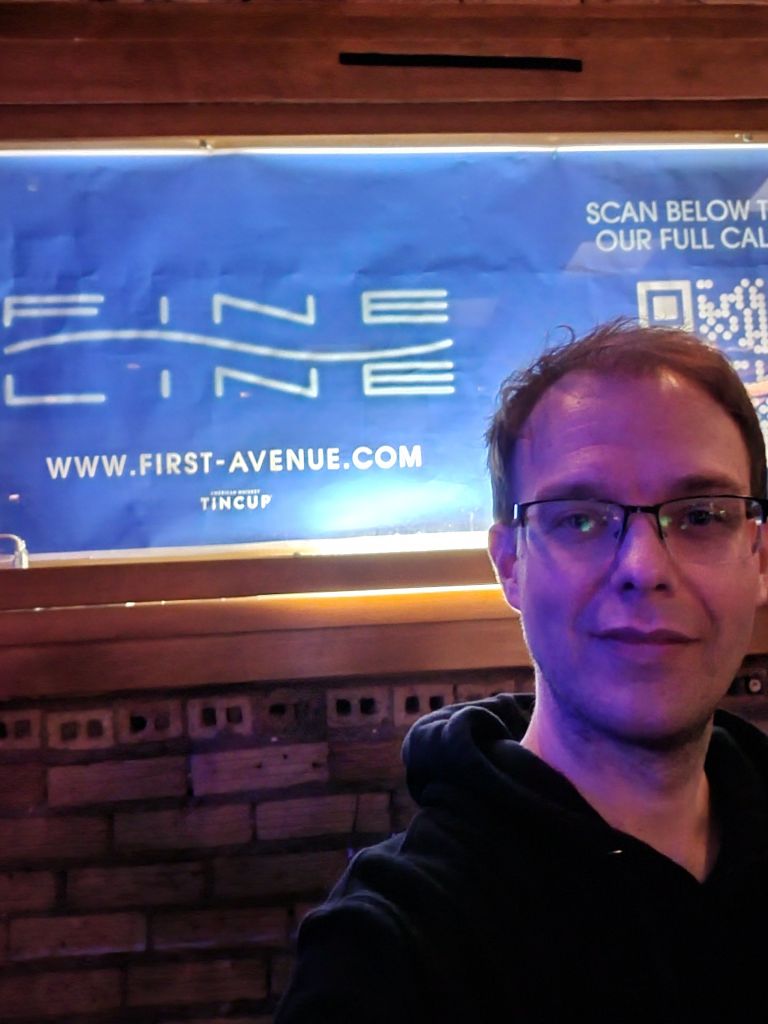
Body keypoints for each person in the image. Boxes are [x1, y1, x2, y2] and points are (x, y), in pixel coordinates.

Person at [275, 319, 768, 1024]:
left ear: (759, 558)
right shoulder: (390, 952)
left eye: (700, 516)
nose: (644, 568)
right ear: (510, 564)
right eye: (581, 520)